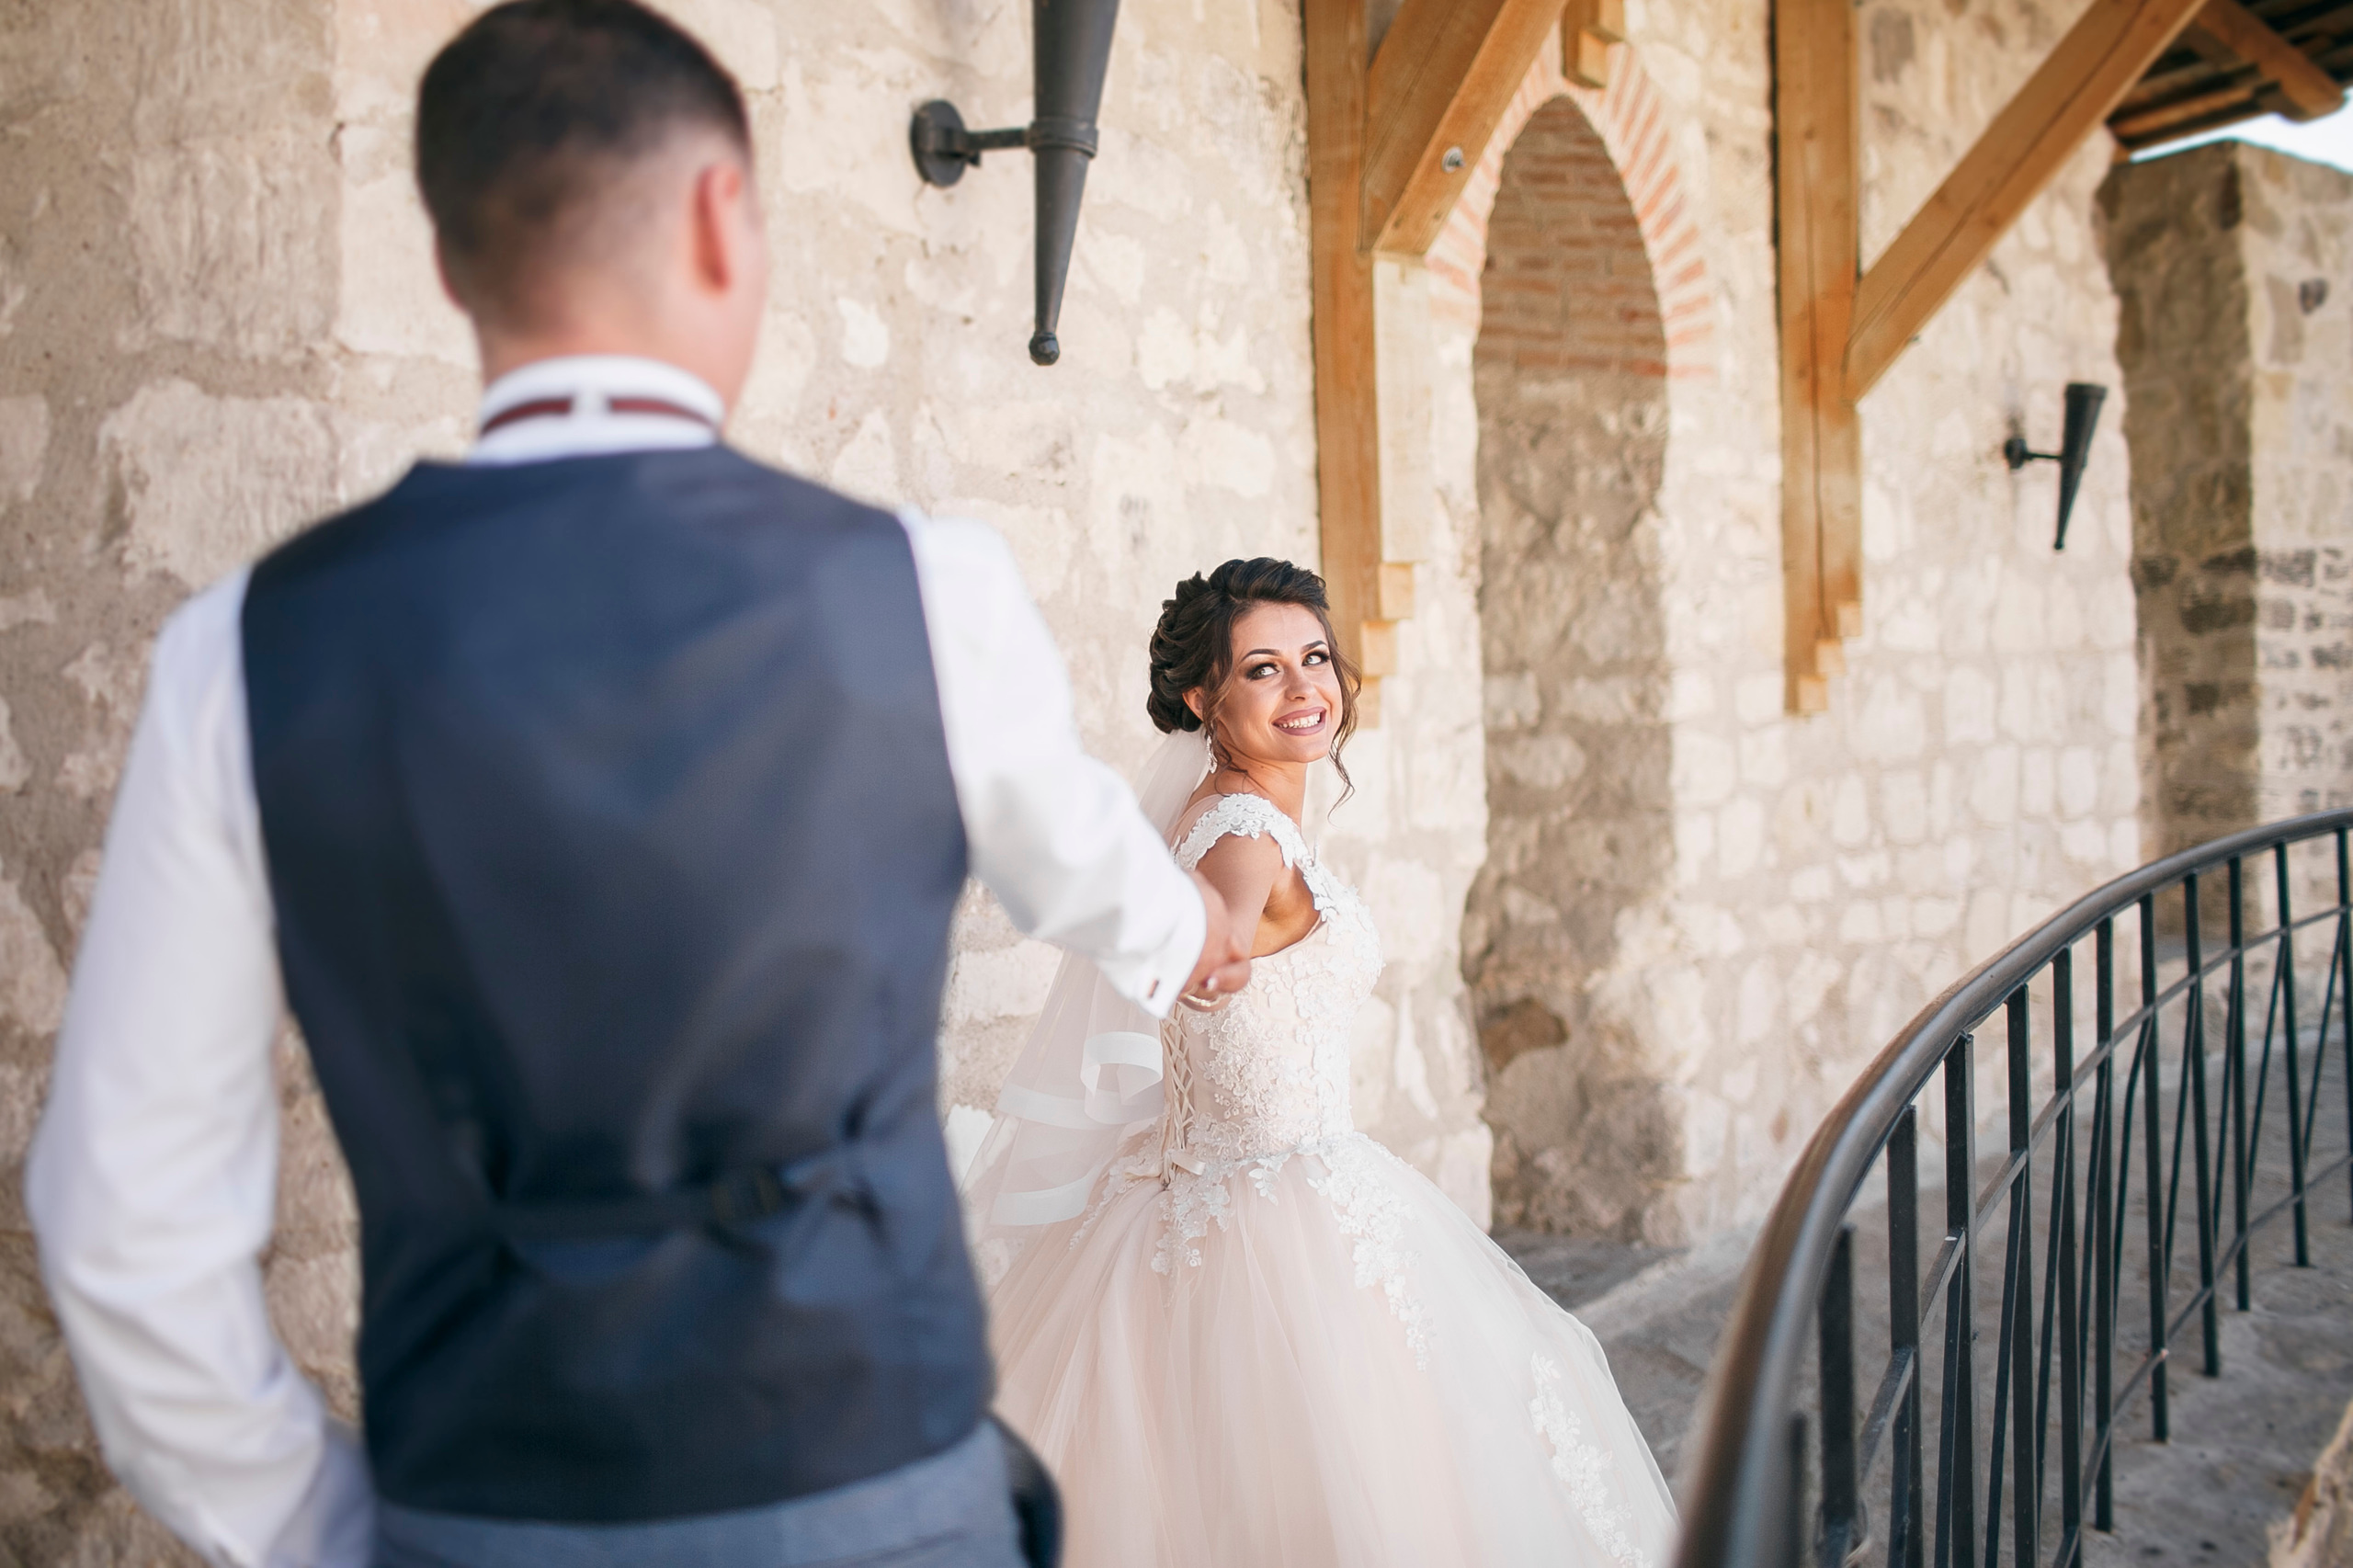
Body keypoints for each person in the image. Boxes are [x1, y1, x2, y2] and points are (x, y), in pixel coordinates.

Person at [24, 4, 1251, 1565]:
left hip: (480, 1501)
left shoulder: (248, 650)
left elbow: (120, 1215)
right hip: (870, 1483)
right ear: (721, 221)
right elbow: (1076, 847)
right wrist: (1179, 933)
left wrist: (328, 1528)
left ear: (456, 258)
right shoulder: (919, 591)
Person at [963, 558, 1679, 1568]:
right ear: (1201, 696)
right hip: (1276, 1206)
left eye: (1314, 657)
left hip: (1230, 1186)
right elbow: (1218, 918)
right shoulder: (1244, 832)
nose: (1305, 688)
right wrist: (1201, 948)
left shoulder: (1230, 804)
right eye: (1263, 668)